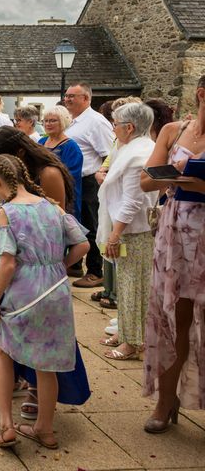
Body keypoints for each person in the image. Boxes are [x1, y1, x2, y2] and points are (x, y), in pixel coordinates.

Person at [0, 154, 90, 449]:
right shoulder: (51, 207)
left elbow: (6, 264)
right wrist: (57, 264)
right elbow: (83, 244)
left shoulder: (7, 212)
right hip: (56, 289)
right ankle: (46, 429)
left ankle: (7, 426)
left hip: (23, 291)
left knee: (3, 351)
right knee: (47, 363)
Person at [140, 75, 205, 432]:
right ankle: (167, 400)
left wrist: (193, 182)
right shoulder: (172, 131)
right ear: (201, 94)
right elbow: (146, 180)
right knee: (173, 318)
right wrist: (174, 176)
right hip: (176, 231)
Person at [96, 103, 157, 361]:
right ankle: (125, 331)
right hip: (123, 226)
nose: (113, 128)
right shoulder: (129, 148)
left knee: (133, 286)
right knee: (124, 282)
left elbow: (133, 200)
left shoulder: (138, 154)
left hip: (132, 230)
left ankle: (134, 342)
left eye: (115, 124)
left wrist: (115, 234)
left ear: (129, 127)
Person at [65, 83, 114, 288]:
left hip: (89, 181)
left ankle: (96, 271)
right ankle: (76, 265)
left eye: (72, 96)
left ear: (86, 98)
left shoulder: (96, 122)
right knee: (75, 224)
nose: (67, 99)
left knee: (91, 226)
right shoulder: (72, 121)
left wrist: (102, 176)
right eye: (66, 96)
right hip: (73, 180)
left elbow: (109, 153)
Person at [39, 105, 83, 222]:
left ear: (63, 121)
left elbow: (71, 176)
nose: (48, 124)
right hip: (40, 194)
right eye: (46, 121)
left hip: (63, 197)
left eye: (53, 120)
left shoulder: (70, 146)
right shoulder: (41, 142)